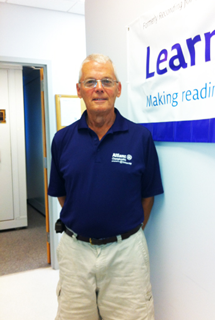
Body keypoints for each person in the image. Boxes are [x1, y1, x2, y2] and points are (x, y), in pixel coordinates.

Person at [48, 54, 163, 320]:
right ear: (79, 91)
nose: (99, 87)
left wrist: (121, 235)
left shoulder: (140, 138)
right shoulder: (62, 140)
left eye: (106, 81)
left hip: (127, 255)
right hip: (75, 252)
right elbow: (64, 195)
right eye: (90, 81)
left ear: (118, 89)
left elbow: (148, 197)